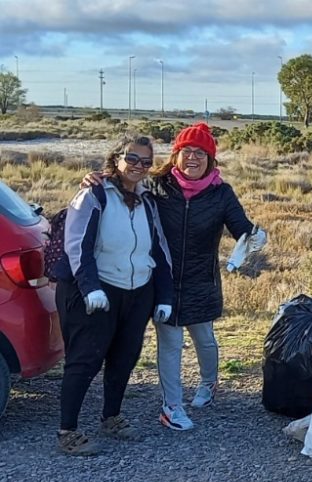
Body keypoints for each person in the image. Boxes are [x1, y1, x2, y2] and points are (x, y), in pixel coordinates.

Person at [83, 122, 266, 431]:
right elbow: (122, 183)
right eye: (186, 151)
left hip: (201, 281)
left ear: (211, 159)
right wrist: (96, 178)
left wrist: (254, 237)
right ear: (176, 154)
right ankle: (172, 407)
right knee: (170, 342)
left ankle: (209, 385)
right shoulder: (155, 185)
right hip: (161, 282)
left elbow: (241, 229)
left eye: (200, 153)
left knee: (204, 338)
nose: (192, 158)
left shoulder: (221, 194)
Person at [52, 135, 174, 455]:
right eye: (132, 158)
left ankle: (112, 417)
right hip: (94, 289)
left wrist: (164, 295)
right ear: (117, 158)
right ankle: (68, 431)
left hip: (137, 291)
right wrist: (90, 288)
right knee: (84, 359)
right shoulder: (93, 194)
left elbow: (158, 249)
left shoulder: (148, 200)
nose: (138, 167)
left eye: (146, 162)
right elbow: (77, 245)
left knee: (124, 359)